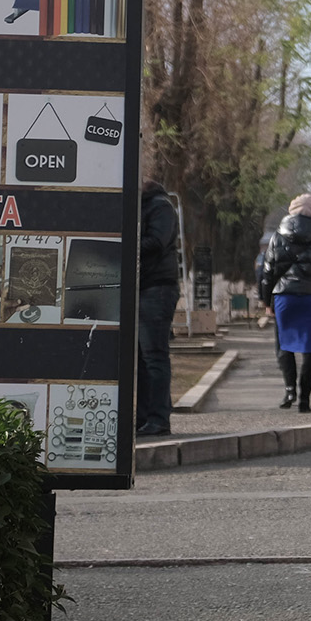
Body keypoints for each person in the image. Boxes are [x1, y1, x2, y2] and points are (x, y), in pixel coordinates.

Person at [259, 193, 311, 413]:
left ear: (292, 210)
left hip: (285, 296)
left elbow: (267, 270)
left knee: (284, 344)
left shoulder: (278, 236)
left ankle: (290, 389)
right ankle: (305, 401)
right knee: (309, 349)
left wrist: (266, 300)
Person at [136, 179, 181, 436]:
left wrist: (125, 244)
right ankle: (143, 417)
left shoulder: (160, 206)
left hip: (157, 288)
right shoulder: (141, 205)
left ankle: (159, 418)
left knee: (154, 356)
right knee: (141, 359)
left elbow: (156, 242)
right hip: (143, 287)